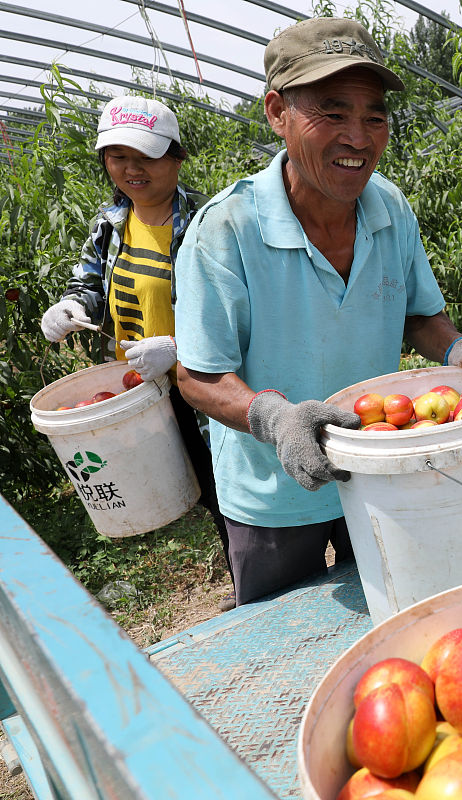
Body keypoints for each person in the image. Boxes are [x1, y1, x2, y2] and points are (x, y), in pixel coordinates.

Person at [173, 17, 462, 608]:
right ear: (278, 113)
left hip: (379, 473)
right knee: (283, 637)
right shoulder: (226, 230)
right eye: (333, 112)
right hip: (274, 496)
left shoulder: (390, 209)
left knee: (396, 612)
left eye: (374, 115)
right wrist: (274, 420)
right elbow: (196, 376)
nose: (359, 136)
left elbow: (418, 316)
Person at [40, 95, 234, 609]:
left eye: (145, 156)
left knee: (227, 485)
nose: (131, 169)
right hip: (146, 389)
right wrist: (69, 305)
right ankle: (242, 573)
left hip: (209, 384)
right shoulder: (111, 224)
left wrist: (178, 347)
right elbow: (91, 284)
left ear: (175, 157)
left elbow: (237, 308)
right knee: (197, 486)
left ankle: (260, 572)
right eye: (117, 156)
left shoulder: (207, 222)